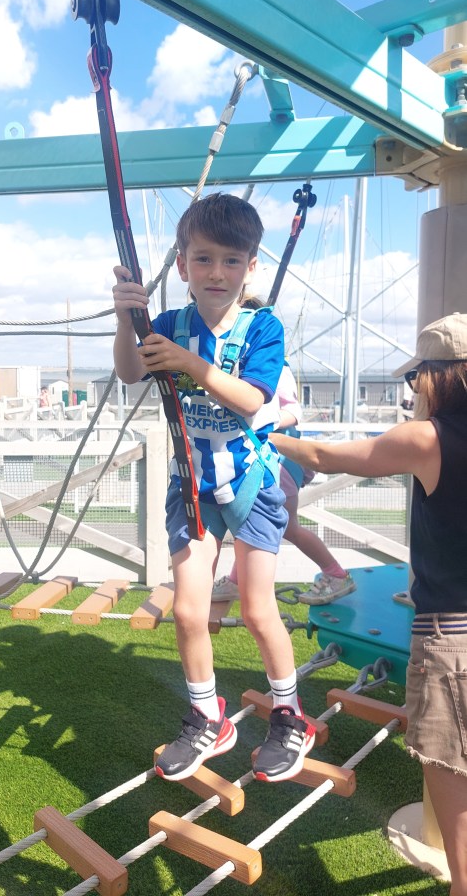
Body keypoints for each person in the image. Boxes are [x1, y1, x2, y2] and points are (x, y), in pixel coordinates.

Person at [113, 192, 315, 784]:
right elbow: (131, 370)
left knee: (256, 608)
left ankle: (289, 714)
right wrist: (129, 320)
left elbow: (252, 398)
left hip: (252, 480)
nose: (217, 272)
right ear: (182, 265)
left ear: (251, 266)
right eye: (203, 259)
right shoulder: (170, 324)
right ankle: (208, 715)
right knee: (188, 608)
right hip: (193, 486)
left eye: (231, 260)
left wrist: (189, 364)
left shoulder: (262, 326)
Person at [269, 311, 467, 895]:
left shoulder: (428, 438)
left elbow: (327, 458)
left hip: (452, 631)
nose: (414, 391)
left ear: (438, 377)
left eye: (417, 380)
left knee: (450, 764)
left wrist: (260, 434)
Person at [213, 357, 355, 605]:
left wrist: (257, 419)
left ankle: (336, 574)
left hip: (276, 461)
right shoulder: (247, 359)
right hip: (267, 459)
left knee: (283, 526)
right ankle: (236, 581)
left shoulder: (273, 362)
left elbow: (292, 412)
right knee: (250, 521)